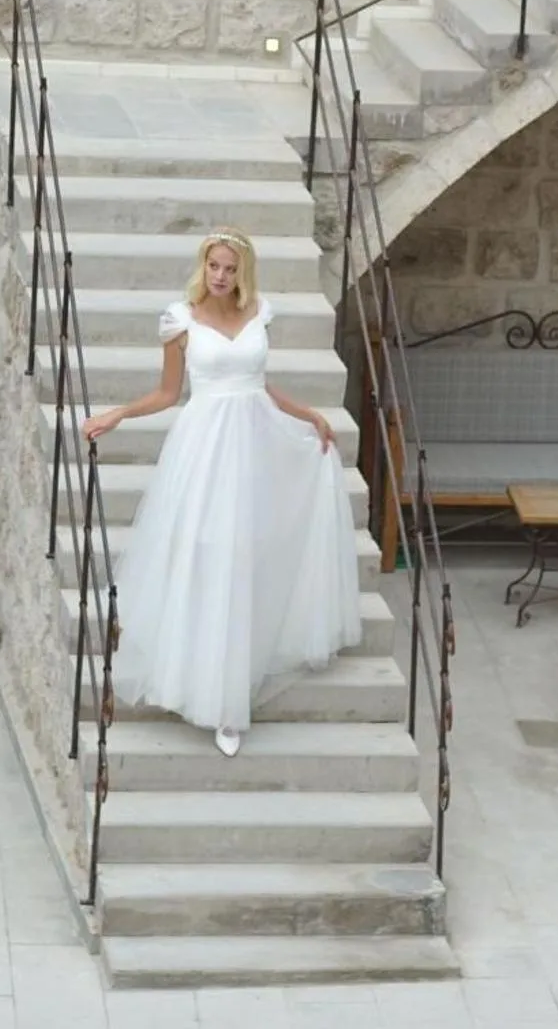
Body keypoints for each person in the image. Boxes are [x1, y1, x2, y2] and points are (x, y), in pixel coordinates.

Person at [82, 229, 362, 757]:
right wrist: (119, 413)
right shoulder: (180, 320)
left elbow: (257, 381)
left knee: (244, 555)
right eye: (214, 265)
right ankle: (196, 675)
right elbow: (169, 393)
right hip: (205, 447)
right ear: (203, 264)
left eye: (231, 268)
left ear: (242, 272)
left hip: (254, 442)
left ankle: (231, 702)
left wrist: (308, 415)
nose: (221, 275)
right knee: (205, 551)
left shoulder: (259, 313)